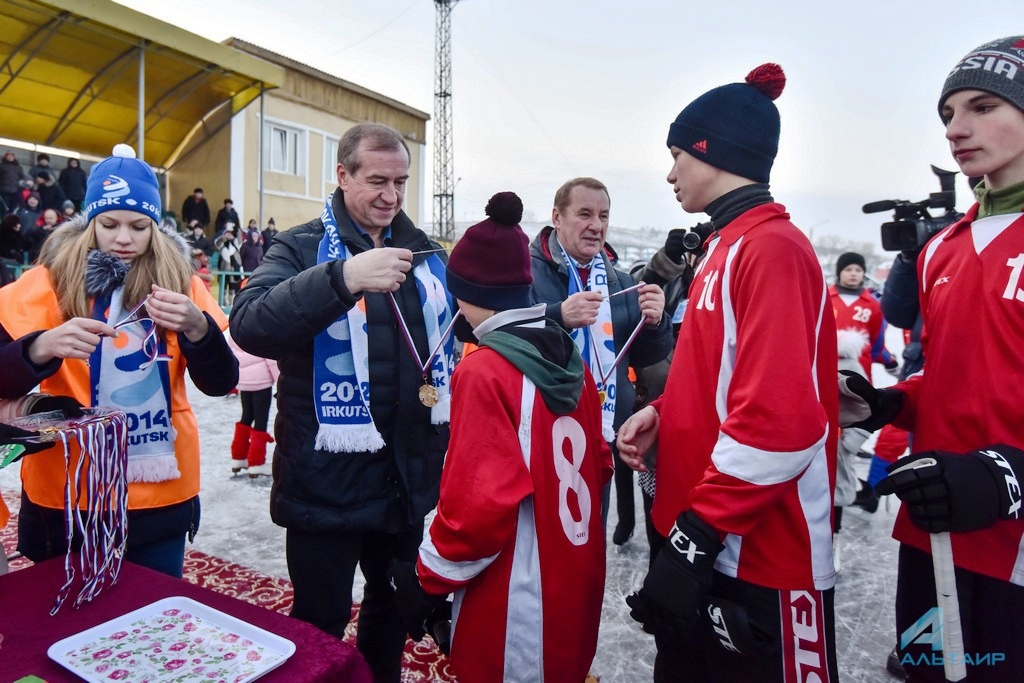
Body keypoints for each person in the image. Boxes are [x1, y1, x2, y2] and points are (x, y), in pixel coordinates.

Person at [616, 63, 840, 682]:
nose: (669, 173)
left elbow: (783, 421)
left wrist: (696, 535)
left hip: (760, 556)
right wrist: (661, 413)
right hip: (709, 536)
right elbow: (721, 375)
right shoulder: (722, 245)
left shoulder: (772, 248)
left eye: (677, 155)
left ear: (712, 153)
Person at [229, 122, 455, 682]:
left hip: (404, 475)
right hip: (325, 481)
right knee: (318, 621)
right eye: (376, 180)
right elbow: (251, 324)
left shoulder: (423, 251)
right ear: (342, 175)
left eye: (401, 182)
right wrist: (342, 277)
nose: (391, 196)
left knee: (391, 609)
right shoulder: (302, 245)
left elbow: (476, 319)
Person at [842, 36, 1024, 682]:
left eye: (981, 106)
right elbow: (948, 374)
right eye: (948, 113)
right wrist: (891, 401)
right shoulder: (943, 246)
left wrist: (1010, 474)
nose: (956, 129)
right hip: (932, 533)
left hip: (1014, 551)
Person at [387, 192, 612, 681]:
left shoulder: (487, 370)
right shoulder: (571, 360)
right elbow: (599, 462)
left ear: (467, 292)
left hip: (518, 593)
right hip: (575, 576)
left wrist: (426, 581)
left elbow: (479, 509)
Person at [0, 144, 238, 578]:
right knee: (59, 634)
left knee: (156, 623)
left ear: (156, 227)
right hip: (68, 493)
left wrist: (199, 329)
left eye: (139, 226)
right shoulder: (45, 283)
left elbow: (222, 383)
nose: (123, 238)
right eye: (108, 224)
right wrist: (40, 347)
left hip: (160, 492)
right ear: (89, 222)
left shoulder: (180, 283)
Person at [529, 176, 671, 547]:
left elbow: (644, 355)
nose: (597, 226)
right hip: (541, 433)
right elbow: (501, 336)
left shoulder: (618, 279)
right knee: (540, 542)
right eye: (585, 214)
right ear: (556, 217)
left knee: (588, 538)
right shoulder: (525, 271)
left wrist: (656, 322)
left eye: (604, 216)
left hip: (602, 431)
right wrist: (558, 314)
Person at [830, 251, 899, 378]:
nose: (853, 273)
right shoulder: (825, 299)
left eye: (858, 270)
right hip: (828, 365)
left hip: (860, 367)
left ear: (863, 273)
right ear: (839, 272)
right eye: (848, 269)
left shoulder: (873, 304)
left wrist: (888, 360)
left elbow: (877, 342)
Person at [226, 329, 279, 478]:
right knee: (260, 420)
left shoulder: (236, 330)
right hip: (261, 381)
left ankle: (238, 458)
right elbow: (271, 359)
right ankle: (256, 463)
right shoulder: (260, 328)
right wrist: (280, 381)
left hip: (243, 381)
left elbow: (230, 353)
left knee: (247, 416)